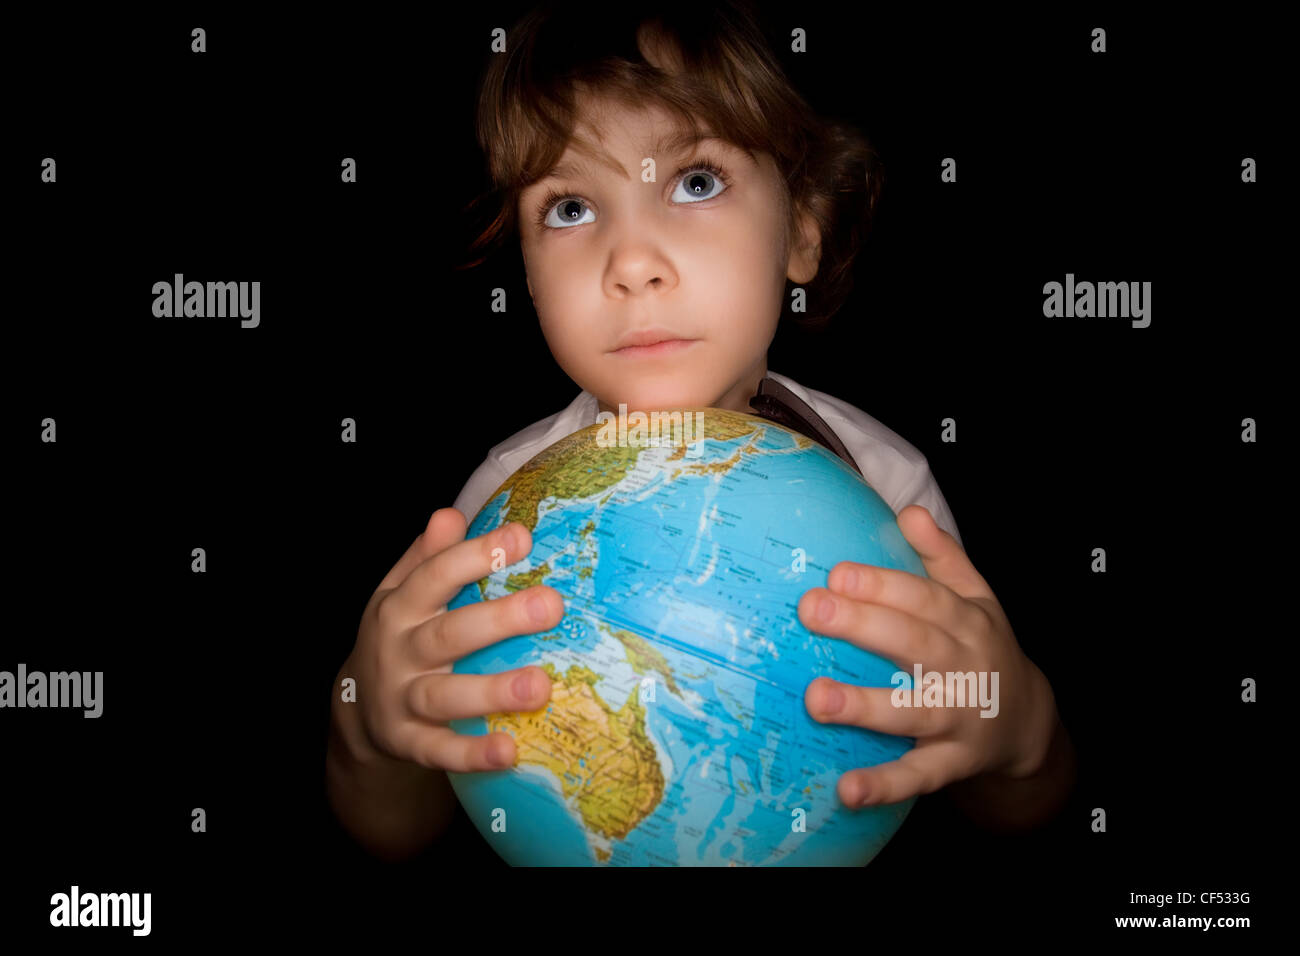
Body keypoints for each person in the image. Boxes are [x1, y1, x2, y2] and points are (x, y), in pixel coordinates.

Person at [326, 0, 1075, 863]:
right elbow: (394, 831)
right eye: (570, 208)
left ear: (802, 228)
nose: (632, 263)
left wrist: (1019, 731)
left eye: (695, 182)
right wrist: (365, 728)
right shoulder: (499, 514)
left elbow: (1019, 808)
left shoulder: (885, 491)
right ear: (525, 274)